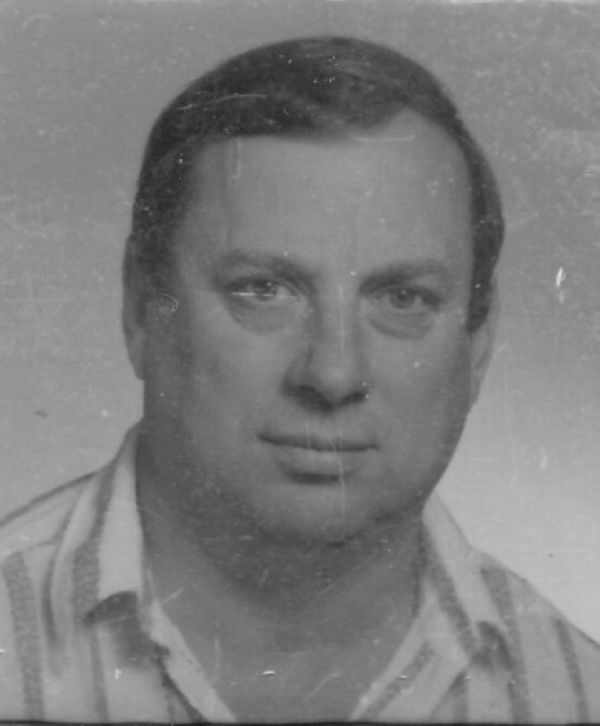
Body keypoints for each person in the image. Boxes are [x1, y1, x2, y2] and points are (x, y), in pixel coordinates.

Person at [1, 35, 599, 724]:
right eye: (263, 290)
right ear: (142, 309)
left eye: (403, 298)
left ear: (479, 348)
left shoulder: (578, 695)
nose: (333, 374)